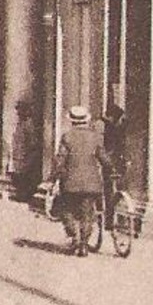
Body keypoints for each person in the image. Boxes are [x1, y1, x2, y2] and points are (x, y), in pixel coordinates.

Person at [53, 104, 112, 257]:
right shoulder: (96, 137)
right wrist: (111, 169)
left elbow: (60, 160)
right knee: (88, 213)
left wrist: (56, 176)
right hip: (92, 183)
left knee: (66, 210)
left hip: (70, 183)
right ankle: (84, 246)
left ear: (72, 121)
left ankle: (74, 237)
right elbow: (104, 159)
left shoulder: (67, 137)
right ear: (87, 120)